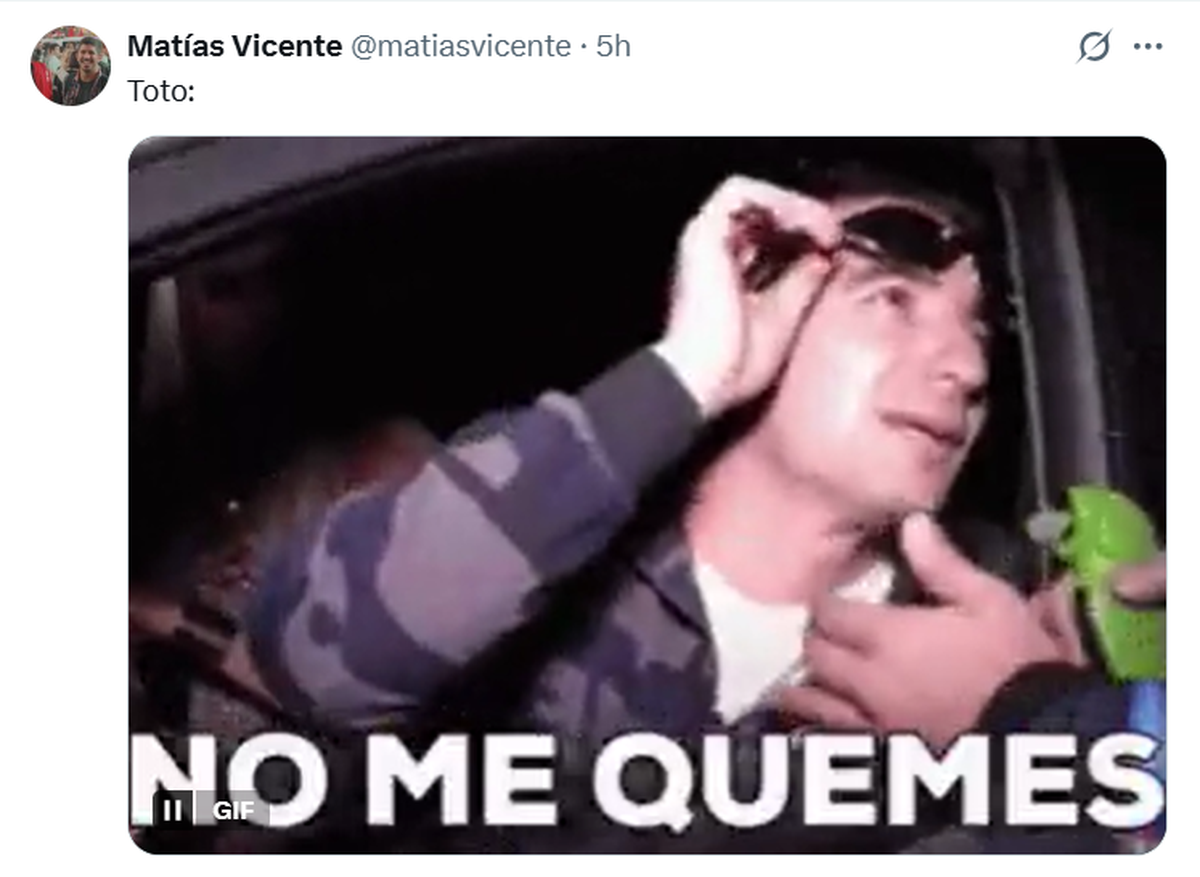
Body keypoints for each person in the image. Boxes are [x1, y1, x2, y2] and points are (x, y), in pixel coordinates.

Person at [242, 161, 1090, 849]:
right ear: (754, 299)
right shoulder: (548, 518)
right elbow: (317, 663)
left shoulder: (996, 640)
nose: (967, 369)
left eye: (981, 332)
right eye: (892, 300)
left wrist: (1041, 725)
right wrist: (686, 370)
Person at [52, 36, 107, 106]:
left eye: (91, 53)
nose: (86, 57)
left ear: (100, 57)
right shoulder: (68, 80)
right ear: (77, 56)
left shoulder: (104, 83)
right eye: (83, 52)